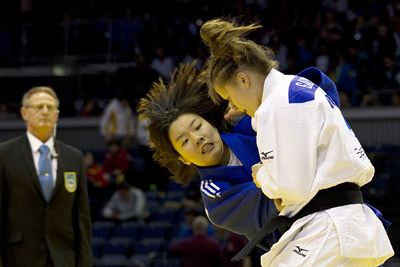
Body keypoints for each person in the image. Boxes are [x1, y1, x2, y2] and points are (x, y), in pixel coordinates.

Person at [200, 18, 394, 266]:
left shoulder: (276, 106)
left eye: (229, 96)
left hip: (329, 228)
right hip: (346, 226)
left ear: (243, 80)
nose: (234, 107)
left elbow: (290, 188)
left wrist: (261, 174)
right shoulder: (296, 88)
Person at [138, 62, 280, 251]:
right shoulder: (214, 194)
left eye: (197, 127)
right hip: (297, 247)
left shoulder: (249, 126)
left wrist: (258, 103)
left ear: (212, 124)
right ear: (183, 158)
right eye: (184, 142)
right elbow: (274, 202)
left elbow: (302, 108)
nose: (197, 139)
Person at [0, 86, 92, 267]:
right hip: (18, 257)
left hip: (64, 258)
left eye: (50, 108)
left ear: (57, 115)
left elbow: (82, 218)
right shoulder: (4, 154)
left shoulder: (74, 156)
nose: (45, 112)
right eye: (39, 107)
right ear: (24, 113)